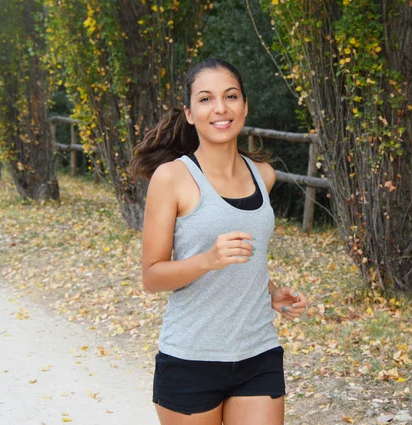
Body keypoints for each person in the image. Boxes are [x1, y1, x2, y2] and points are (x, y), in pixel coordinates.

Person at [129, 58, 309, 425]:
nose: (221, 108)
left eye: (231, 96)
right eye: (206, 99)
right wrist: (207, 260)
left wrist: (270, 290)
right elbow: (152, 276)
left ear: (244, 105)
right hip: (190, 358)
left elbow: (247, 257)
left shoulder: (264, 176)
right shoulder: (172, 178)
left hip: (258, 352)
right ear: (190, 113)